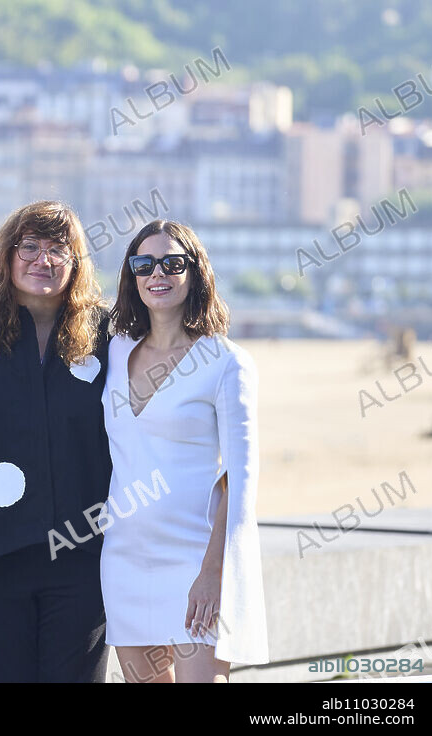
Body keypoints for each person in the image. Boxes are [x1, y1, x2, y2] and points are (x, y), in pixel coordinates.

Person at [100, 219, 269, 683]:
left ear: (195, 273)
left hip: (196, 558)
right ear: (132, 276)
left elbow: (241, 475)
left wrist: (215, 571)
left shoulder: (226, 362)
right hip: (123, 558)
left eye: (173, 263)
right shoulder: (114, 353)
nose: (158, 273)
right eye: (144, 263)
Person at [0, 200, 113, 682]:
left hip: (83, 561)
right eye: (30, 246)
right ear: (7, 253)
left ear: (76, 262)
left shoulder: (109, 334)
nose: (42, 259)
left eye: (57, 248)